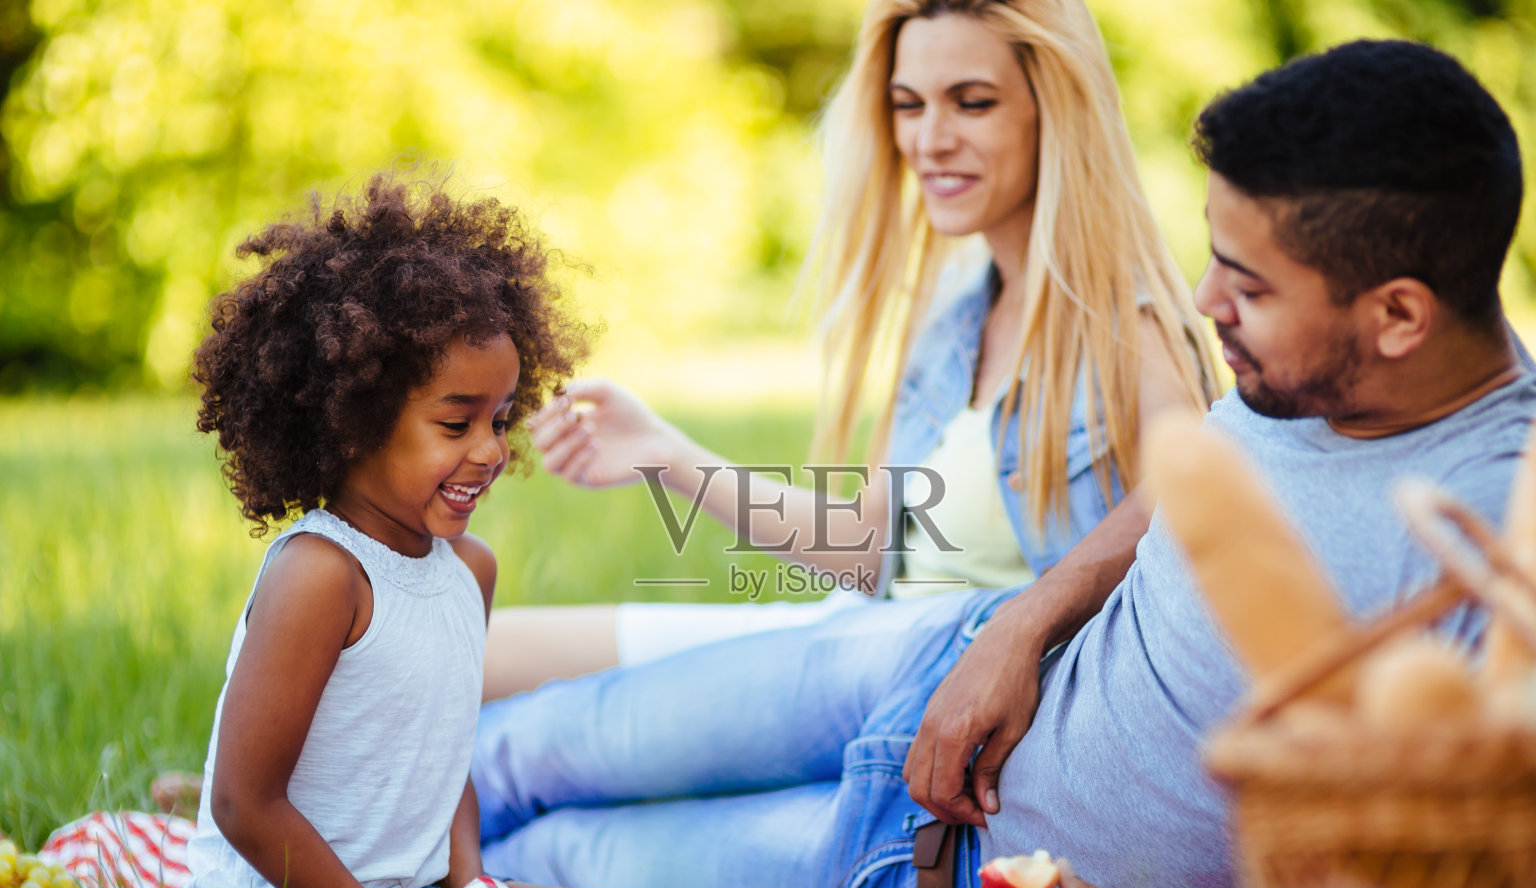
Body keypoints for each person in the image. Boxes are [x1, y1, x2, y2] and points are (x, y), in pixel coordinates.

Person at [472, 37, 1536, 888]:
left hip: (926, 869)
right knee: (527, 745)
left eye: (1249, 285)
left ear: (1400, 314)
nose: (1202, 301)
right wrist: (1026, 619)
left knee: (551, 858)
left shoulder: (1512, 536)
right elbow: (1182, 489)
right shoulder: (1315, 371)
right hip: (933, 656)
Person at [481, 0, 1221, 698]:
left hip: (897, 671)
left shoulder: (1131, 329)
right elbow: (869, 550)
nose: (930, 139)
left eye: (972, 102)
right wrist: (667, 454)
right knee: (486, 654)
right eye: (909, 105)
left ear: (1054, 111)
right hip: (845, 636)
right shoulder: (954, 322)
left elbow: (1195, 503)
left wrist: (1031, 618)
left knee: (523, 747)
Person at [160, 176, 584, 888]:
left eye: (500, 418)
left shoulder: (470, 570)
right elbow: (245, 804)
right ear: (351, 422)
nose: (493, 450)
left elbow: (446, 753)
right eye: (456, 423)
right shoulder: (322, 574)